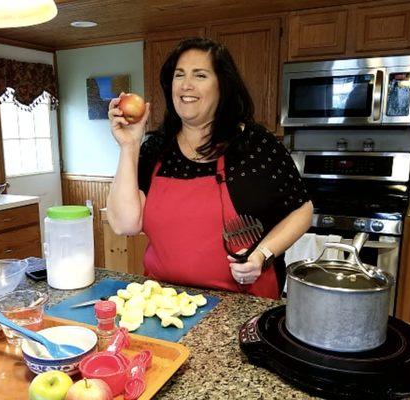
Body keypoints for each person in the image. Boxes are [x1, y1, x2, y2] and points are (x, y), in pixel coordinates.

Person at [106, 37, 313, 299]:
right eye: (179, 75)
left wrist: (263, 253)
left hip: (239, 303)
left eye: (200, 75)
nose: (186, 85)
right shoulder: (156, 147)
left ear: (222, 86)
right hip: (164, 301)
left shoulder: (255, 144)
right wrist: (129, 145)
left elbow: (302, 210)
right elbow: (125, 225)